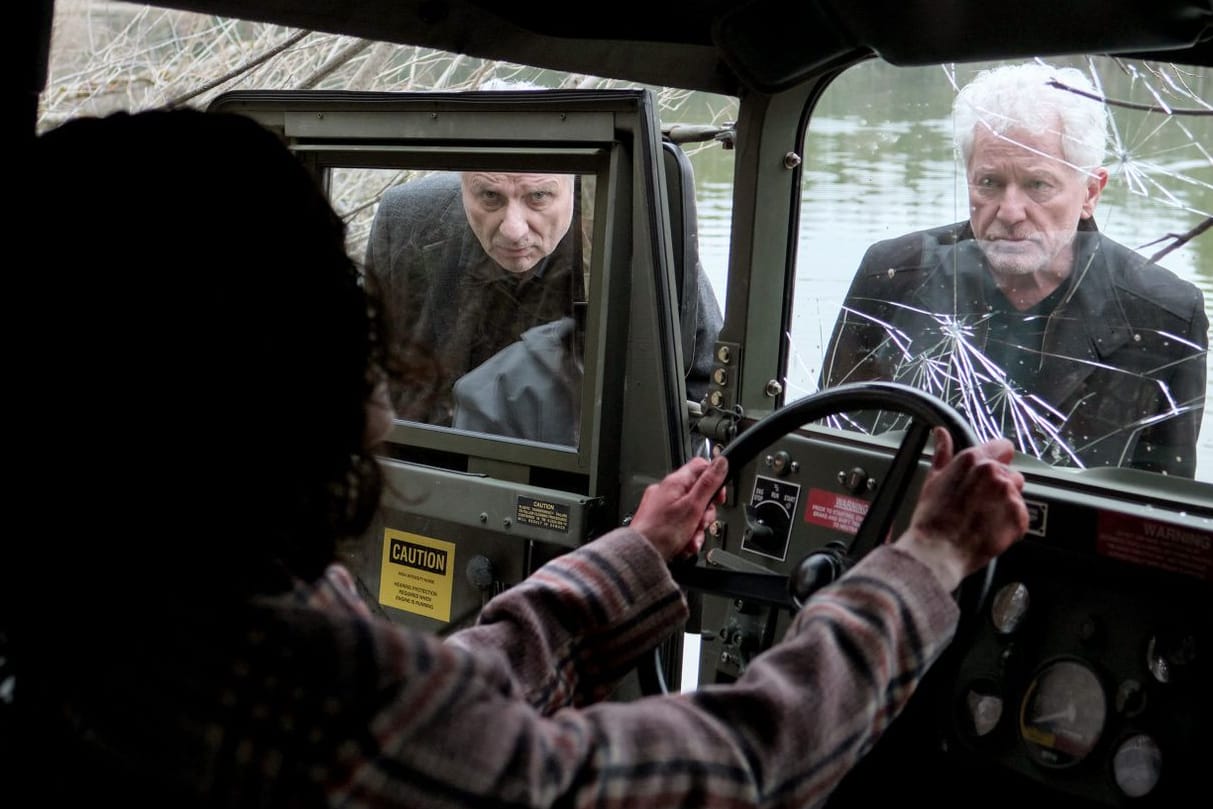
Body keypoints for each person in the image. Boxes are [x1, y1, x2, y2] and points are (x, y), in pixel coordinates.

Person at [9, 107, 1028, 809]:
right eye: (345, 318)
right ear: (286, 374)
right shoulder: (312, 689)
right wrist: (927, 558)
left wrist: (632, 554)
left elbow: (446, 710)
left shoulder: (130, 622)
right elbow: (736, 769)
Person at [819, 62, 1208, 477]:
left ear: (1091, 192)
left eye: (1038, 185)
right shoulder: (894, 274)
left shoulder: (1164, 314)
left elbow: (1161, 509)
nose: (1010, 211)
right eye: (989, 183)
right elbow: (832, 448)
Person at [365, 166, 724, 431]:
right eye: (490, 196)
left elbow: (703, 380)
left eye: (538, 197)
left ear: (573, 183)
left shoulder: (637, 232)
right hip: (432, 472)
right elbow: (373, 362)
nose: (514, 229)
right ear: (463, 183)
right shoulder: (407, 218)